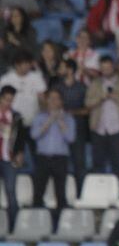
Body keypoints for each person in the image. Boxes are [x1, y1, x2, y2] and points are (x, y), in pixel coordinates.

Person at [85, 56, 119, 180]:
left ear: (113, 67)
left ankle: (117, 190)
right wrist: (101, 97)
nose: (106, 70)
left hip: (117, 127)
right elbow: (87, 103)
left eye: (108, 68)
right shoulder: (95, 84)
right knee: (98, 162)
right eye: (103, 68)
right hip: (99, 127)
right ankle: (98, 191)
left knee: (116, 162)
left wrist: (116, 97)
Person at [30, 89, 75, 222]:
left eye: (57, 99)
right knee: (38, 191)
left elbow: (71, 138)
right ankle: (36, 222)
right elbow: (34, 135)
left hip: (60, 158)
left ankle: (61, 223)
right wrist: (49, 120)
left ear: (61, 101)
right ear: (47, 100)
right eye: (51, 98)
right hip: (42, 158)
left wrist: (60, 121)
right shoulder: (39, 117)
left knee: (60, 193)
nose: (54, 102)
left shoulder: (68, 118)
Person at [55, 59, 88, 193]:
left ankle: (81, 194)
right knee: (59, 165)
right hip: (59, 130)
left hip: (77, 130)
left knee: (79, 164)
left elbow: (87, 109)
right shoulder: (57, 87)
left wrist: (70, 112)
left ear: (70, 70)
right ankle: (61, 194)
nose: (60, 70)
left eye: (62, 67)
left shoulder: (82, 87)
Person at [0, 85, 26, 233]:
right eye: (6, 100)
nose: (8, 103)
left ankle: (13, 228)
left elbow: (21, 138)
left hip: (8, 159)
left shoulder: (16, 117)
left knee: (11, 192)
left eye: (11, 101)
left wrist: (20, 152)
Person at [0, 51, 47, 125]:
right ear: (16, 64)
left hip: (32, 121)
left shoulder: (37, 77)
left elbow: (42, 99)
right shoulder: (5, 79)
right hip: (11, 121)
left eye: (29, 63)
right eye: (25, 63)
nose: (27, 66)